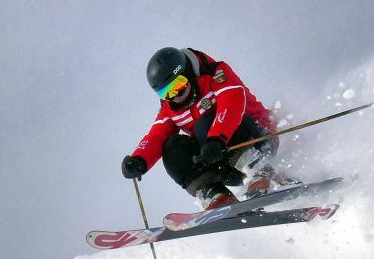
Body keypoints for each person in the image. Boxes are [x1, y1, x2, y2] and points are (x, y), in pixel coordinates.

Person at [121, 47, 286, 209]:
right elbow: (156, 136)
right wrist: (139, 160)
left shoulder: (215, 73)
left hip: (257, 141)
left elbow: (232, 102)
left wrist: (216, 139)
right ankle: (216, 195)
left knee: (204, 123)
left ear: (188, 74)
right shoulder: (171, 108)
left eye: (179, 85)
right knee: (172, 147)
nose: (176, 96)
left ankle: (261, 171)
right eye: (167, 93)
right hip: (222, 161)